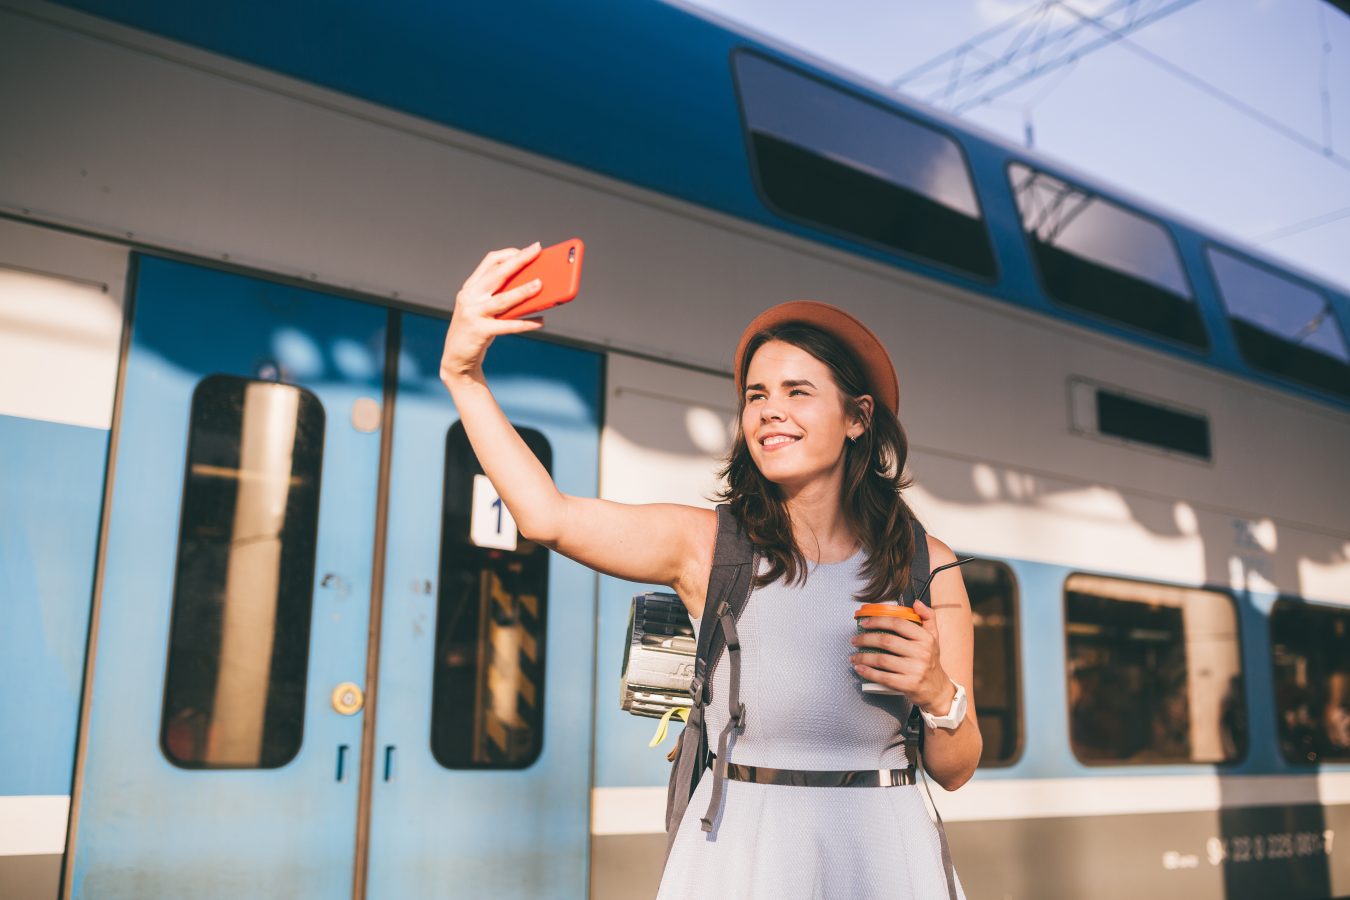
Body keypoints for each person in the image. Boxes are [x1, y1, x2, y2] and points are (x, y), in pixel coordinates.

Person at [440, 243, 980, 899]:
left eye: (798, 392)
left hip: (886, 853)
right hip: (742, 851)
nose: (768, 409)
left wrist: (934, 691)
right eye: (756, 394)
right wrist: (463, 376)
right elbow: (546, 516)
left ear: (858, 418)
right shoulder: (706, 544)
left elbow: (955, 769)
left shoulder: (929, 563)